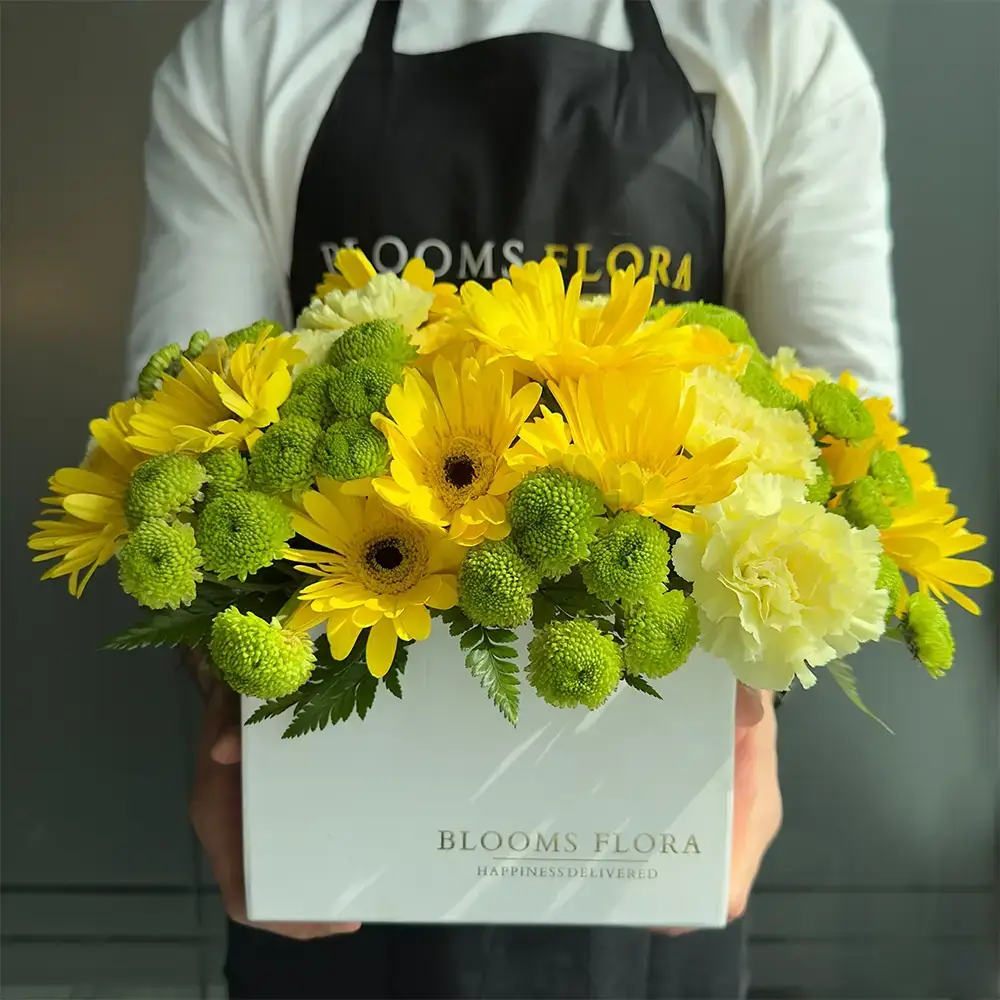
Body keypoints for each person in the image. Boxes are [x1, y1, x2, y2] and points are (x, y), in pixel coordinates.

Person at [127, 2, 903, 997]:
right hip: (336, 823)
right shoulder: (254, 43)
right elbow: (188, 429)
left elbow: (843, 453)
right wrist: (220, 705)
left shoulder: (772, 38)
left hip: (647, 833)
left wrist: (755, 714)